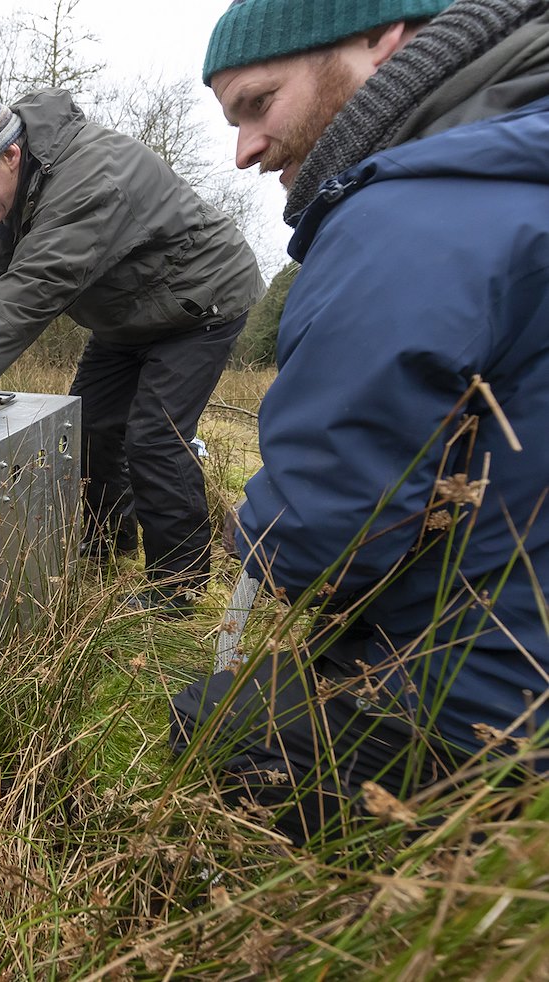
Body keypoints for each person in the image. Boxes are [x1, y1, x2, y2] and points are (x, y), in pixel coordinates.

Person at [172, 0, 549, 844]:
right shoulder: (516, 171)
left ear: (385, 42)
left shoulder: (410, 217)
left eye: (259, 103)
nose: (243, 152)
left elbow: (319, 539)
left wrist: (254, 533)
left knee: (214, 727)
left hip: (492, 712)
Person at [0, 91, 264, 615]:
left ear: (9, 156)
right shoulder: (19, 191)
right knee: (90, 427)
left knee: (154, 438)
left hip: (197, 303)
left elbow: (28, 294)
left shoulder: (86, 181)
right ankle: (108, 541)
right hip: (127, 317)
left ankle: (179, 588)